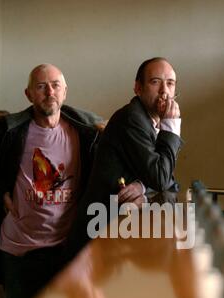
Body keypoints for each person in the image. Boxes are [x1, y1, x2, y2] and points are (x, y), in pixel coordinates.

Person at [0, 63, 104, 298]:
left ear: (65, 92)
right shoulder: (10, 132)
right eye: (41, 87)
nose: (49, 92)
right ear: (29, 94)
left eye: (55, 85)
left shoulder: (85, 133)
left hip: (65, 249)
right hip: (19, 251)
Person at [67, 57, 182, 256]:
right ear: (138, 88)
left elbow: (168, 179)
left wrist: (142, 186)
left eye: (170, 83)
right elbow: (162, 178)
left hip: (117, 237)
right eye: (155, 82)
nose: (164, 90)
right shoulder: (132, 118)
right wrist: (171, 128)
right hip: (97, 239)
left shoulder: (151, 122)